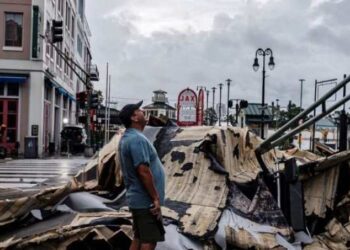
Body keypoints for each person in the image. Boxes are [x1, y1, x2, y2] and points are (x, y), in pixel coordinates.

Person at [118, 101, 166, 250]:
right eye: (139, 110)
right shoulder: (137, 139)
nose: (143, 110)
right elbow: (143, 171)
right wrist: (155, 198)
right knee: (149, 241)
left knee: (139, 237)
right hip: (145, 201)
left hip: (138, 199)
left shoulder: (129, 137)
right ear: (134, 117)